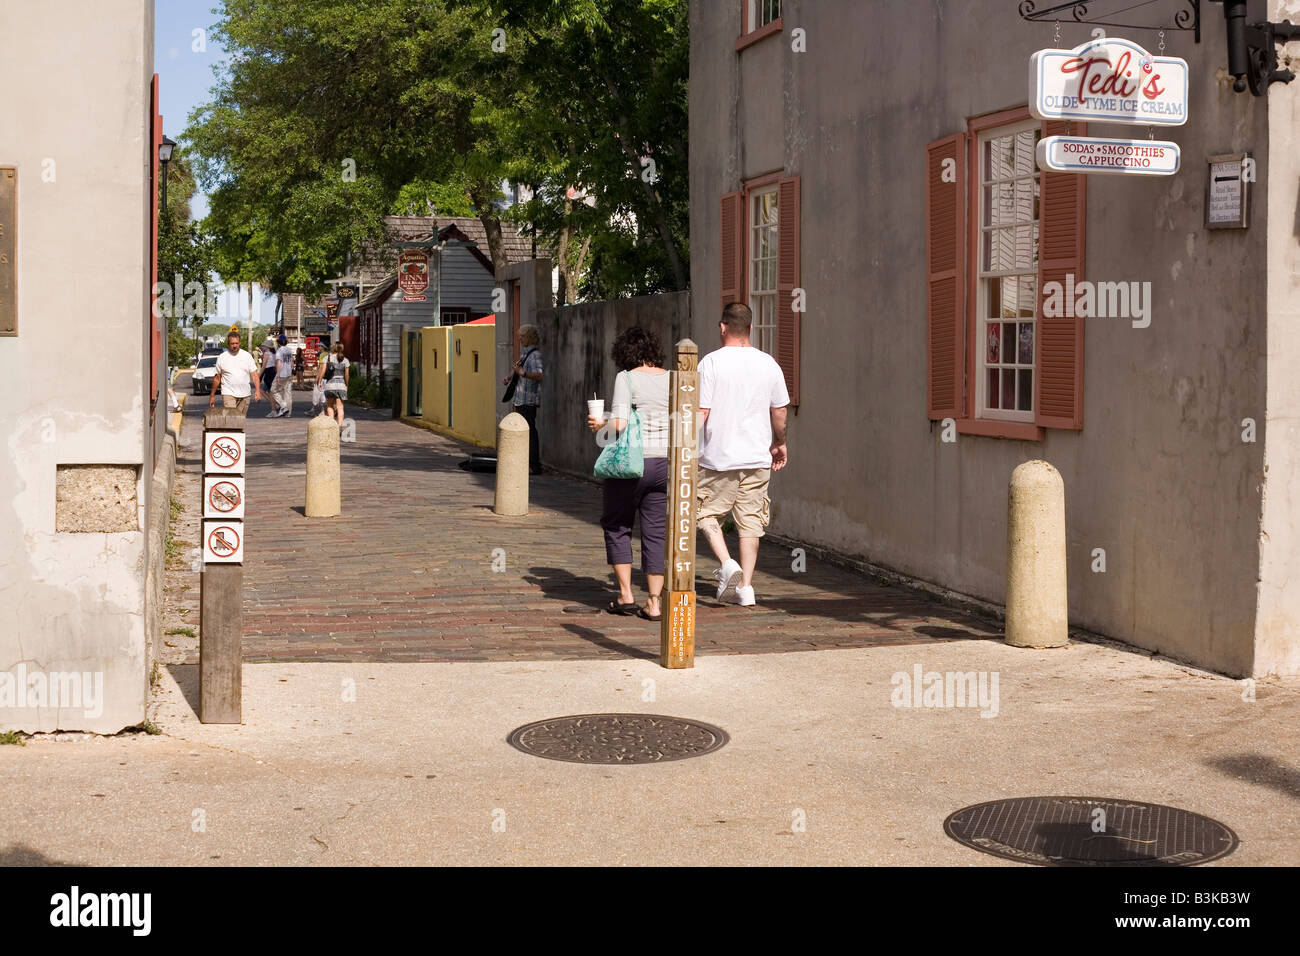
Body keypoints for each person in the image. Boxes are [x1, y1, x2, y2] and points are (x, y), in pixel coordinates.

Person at [695, 302, 790, 607]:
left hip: (717, 456)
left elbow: (702, 412)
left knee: (703, 512)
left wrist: (686, 444)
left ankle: (726, 563)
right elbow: (779, 411)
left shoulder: (710, 363)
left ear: (722, 327)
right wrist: (780, 442)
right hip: (757, 456)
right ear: (751, 328)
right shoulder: (768, 363)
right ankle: (746, 588)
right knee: (750, 523)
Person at [587, 327, 670, 621]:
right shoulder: (672, 378)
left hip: (632, 464)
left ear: (624, 352)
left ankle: (626, 595)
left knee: (617, 524)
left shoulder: (626, 377)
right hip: (664, 464)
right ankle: (655, 602)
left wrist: (601, 426)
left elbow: (619, 424)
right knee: (656, 532)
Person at [502, 325, 544, 474]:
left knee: (530, 431)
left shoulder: (535, 355)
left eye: (522, 336)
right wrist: (509, 376)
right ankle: (525, 462)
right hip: (520, 398)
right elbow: (517, 369)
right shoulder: (526, 353)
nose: (520, 339)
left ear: (530, 337)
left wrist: (524, 373)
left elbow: (539, 375)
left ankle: (534, 464)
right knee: (523, 431)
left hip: (528, 399)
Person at [210, 329, 262, 414]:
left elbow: (254, 375)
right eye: (232, 343)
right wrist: (212, 396)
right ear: (228, 344)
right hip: (228, 393)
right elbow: (217, 378)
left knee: (240, 421)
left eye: (236, 343)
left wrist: (257, 391)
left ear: (239, 343)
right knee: (232, 419)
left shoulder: (247, 356)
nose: (234, 345)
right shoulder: (222, 357)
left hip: (245, 394)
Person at [317, 342, 351, 427]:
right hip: (341, 386)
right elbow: (347, 375)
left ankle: (332, 427)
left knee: (330, 406)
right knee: (340, 408)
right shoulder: (345, 360)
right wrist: (346, 385)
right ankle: (339, 426)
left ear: (334, 348)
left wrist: (319, 381)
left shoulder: (327, 358)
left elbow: (323, 371)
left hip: (330, 385)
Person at [269, 333, 295, 418]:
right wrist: (291, 373)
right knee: (288, 392)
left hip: (282, 373)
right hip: (288, 373)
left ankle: (283, 406)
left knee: (273, 390)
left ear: (278, 342)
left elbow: (279, 362)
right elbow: (292, 362)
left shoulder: (279, 351)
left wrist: (278, 375)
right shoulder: (289, 350)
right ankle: (288, 412)